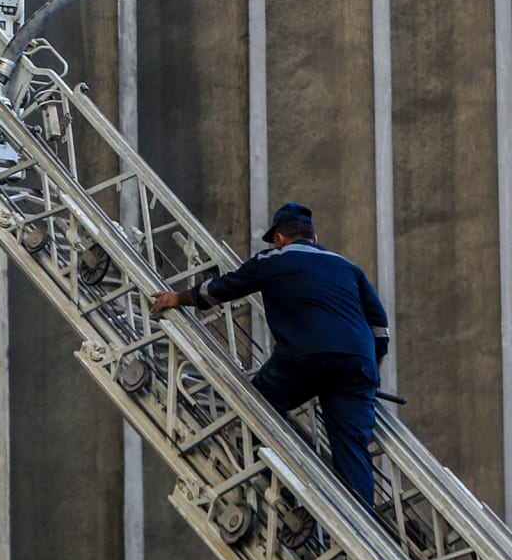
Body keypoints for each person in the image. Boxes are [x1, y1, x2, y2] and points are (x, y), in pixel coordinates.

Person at [149, 202, 390, 509]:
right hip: (358, 363)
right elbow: (380, 327)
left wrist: (178, 297)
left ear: (279, 238)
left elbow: (222, 288)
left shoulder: (273, 260)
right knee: (353, 448)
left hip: (304, 356)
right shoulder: (347, 267)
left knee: (257, 408)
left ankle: (288, 495)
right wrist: (371, 371)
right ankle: (363, 530)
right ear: (315, 239)